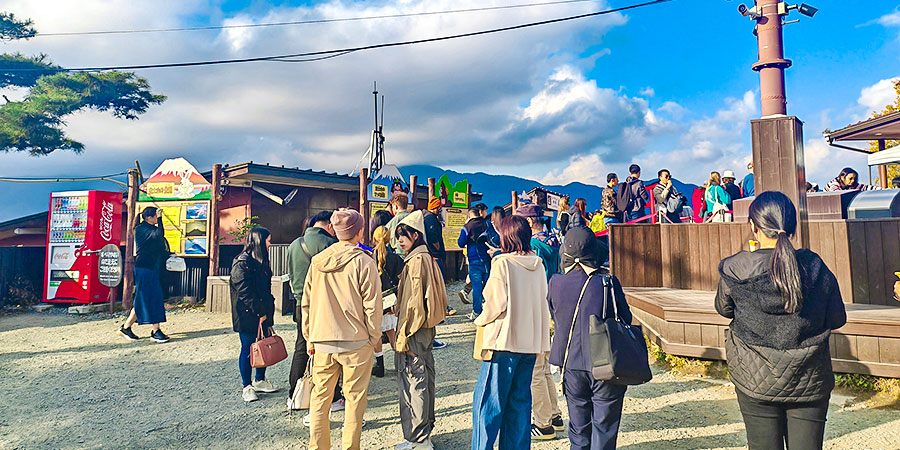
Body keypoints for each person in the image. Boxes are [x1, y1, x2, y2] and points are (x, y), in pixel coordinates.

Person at [716, 192, 846, 450]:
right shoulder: (815, 266)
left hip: (755, 377)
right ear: (793, 226)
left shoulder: (735, 268)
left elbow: (724, 309)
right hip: (810, 378)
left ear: (753, 227)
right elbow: (837, 318)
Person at [302, 209, 383, 450]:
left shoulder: (317, 263)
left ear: (335, 231)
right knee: (355, 401)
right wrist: (374, 337)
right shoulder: (364, 262)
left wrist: (310, 337)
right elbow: (373, 306)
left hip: (322, 340)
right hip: (356, 342)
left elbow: (306, 303)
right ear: (359, 231)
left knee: (319, 400)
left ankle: (318, 447)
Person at [472, 216, 551, 450]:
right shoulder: (538, 264)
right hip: (531, 344)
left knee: (488, 407)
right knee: (519, 406)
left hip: (503, 343)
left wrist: (480, 319)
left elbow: (494, 304)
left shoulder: (502, 263)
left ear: (506, 236)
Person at [548, 227, 626, 450]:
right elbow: (625, 317)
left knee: (579, 427)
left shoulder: (555, 282)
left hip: (570, 362)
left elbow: (556, 316)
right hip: (605, 362)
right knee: (605, 426)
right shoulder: (607, 282)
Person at [393, 211, 449, 450]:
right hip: (426, 329)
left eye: (403, 236)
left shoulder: (415, 262)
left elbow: (414, 305)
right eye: (397, 237)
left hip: (413, 330)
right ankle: (424, 433)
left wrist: (403, 335)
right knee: (425, 378)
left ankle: (418, 438)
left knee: (413, 381)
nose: (400, 241)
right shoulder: (427, 257)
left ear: (415, 235)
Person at [286, 211, 344, 409]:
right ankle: (334, 396)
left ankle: (294, 393)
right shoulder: (330, 244)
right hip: (324, 305)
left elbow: (291, 275)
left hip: (300, 303)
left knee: (301, 347)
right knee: (328, 350)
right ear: (329, 226)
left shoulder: (294, 244)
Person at [514, 204, 562, 440]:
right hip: (551, 306)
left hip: (536, 307)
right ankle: (554, 414)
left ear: (530, 223)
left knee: (535, 371)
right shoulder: (553, 240)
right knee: (543, 368)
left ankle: (543, 424)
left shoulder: (533, 246)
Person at [230, 227, 278, 402]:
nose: (269, 244)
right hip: (246, 314)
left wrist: (267, 314)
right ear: (259, 241)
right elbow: (244, 292)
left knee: (262, 345)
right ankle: (247, 386)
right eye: (268, 240)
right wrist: (260, 312)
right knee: (248, 348)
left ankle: (259, 379)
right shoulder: (241, 263)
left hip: (263, 312)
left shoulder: (261, 261)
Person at [118, 206, 170, 343]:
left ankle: (126, 327)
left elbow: (159, 243)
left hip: (151, 268)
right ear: (149, 217)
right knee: (154, 297)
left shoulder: (148, 229)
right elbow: (159, 235)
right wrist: (161, 220)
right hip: (145, 268)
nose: (156, 217)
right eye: (155, 215)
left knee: (143, 298)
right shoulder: (141, 229)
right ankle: (155, 330)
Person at [372, 225, 404, 378]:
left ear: (374, 237)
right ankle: (400, 364)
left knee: (376, 334)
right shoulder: (395, 257)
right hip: (391, 300)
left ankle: (380, 366)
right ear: (389, 238)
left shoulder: (369, 256)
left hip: (373, 300)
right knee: (392, 333)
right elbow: (401, 279)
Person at [424, 197, 455, 328]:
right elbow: (432, 235)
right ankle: (443, 308)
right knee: (439, 283)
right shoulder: (431, 218)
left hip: (432, 255)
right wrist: (437, 246)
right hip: (435, 256)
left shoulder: (425, 216)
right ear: (436, 208)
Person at [458, 208, 491, 320]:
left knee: (476, 286)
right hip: (487, 258)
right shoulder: (486, 224)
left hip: (474, 260)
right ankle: (490, 310)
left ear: (469, 215)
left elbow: (460, 243)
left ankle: (477, 312)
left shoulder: (467, 227)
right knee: (488, 285)